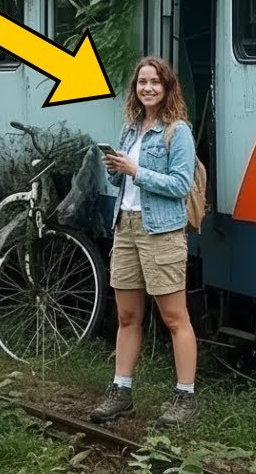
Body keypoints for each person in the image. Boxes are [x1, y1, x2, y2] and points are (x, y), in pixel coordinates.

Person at [89, 55, 199, 427]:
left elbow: (181, 186)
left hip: (161, 232)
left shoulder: (177, 131)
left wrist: (137, 170)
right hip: (127, 228)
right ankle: (121, 392)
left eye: (155, 82)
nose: (147, 87)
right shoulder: (131, 129)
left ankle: (185, 397)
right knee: (126, 315)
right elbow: (120, 186)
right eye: (142, 82)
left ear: (167, 88)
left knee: (174, 317)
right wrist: (116, 170)